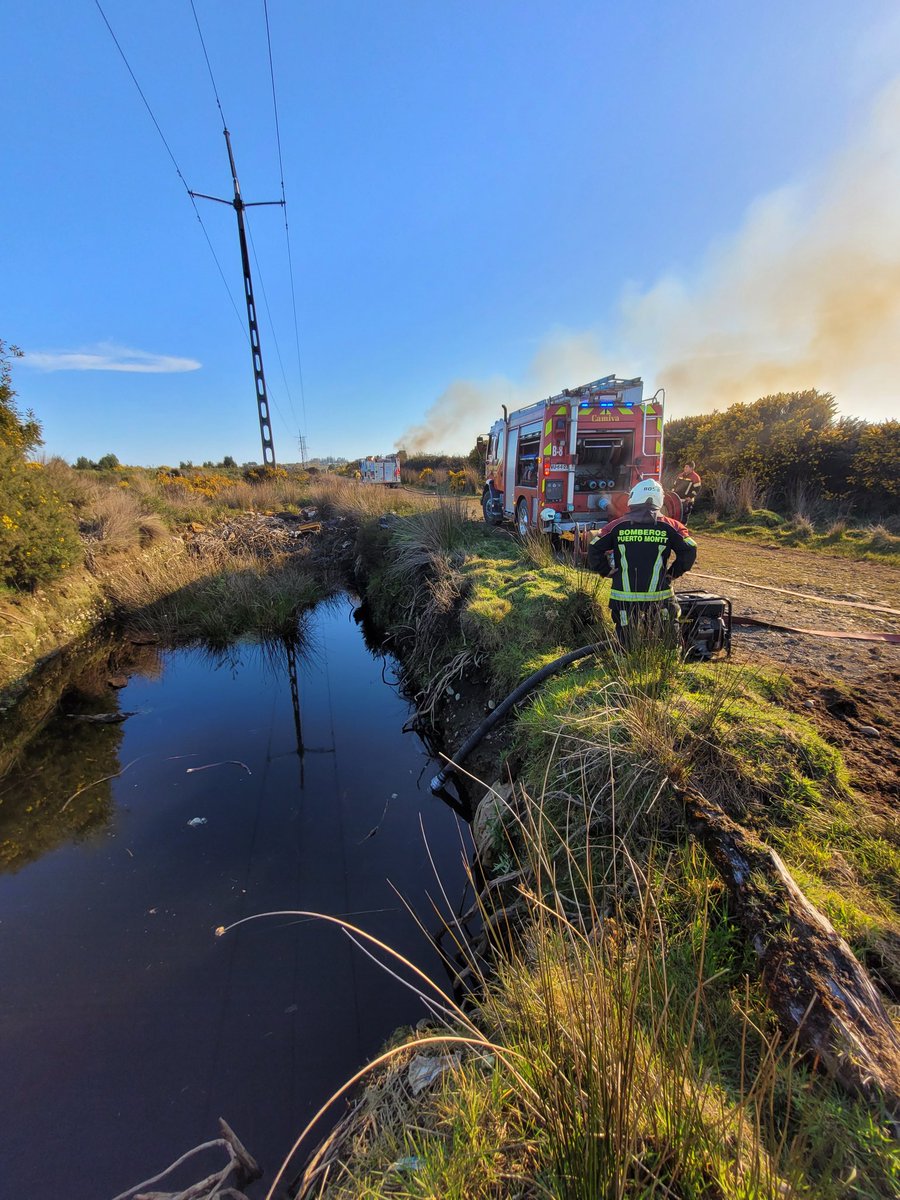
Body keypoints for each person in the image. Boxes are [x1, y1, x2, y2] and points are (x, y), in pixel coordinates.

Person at [587, 479, 697, 648]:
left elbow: (594, 546)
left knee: (625, 637)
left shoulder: (617, 526)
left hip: (624, 596)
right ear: (659, 500)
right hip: (659, 595)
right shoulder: (672, 526)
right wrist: (674, 572)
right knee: (668, 632)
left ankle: (625, 665)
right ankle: (670, 667)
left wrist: (606, 571)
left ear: (633, 499)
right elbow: (690, 548)